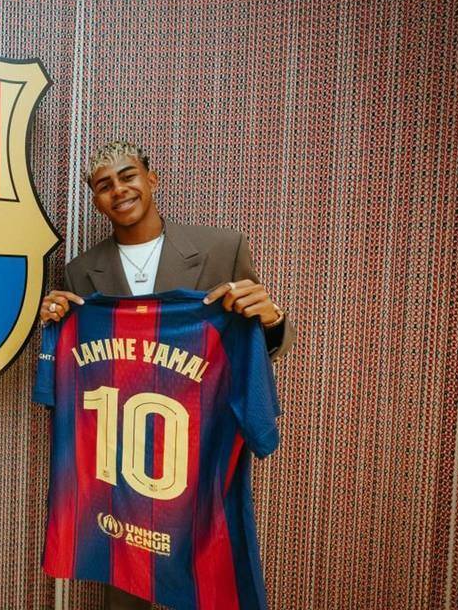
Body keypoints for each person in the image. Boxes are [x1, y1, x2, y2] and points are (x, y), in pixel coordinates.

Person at [38, 140, 295, 609]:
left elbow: (253, 343)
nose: (119, 190)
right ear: (96, 200)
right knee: (126, 589)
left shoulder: (221, 248)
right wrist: (55, 325)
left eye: (128, 176)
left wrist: (271, 319)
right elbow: (79, 363)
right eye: (104, 185)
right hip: (119, 466)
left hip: (199, 450)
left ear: (151, 180)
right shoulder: (80, 272)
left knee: (206, 577)